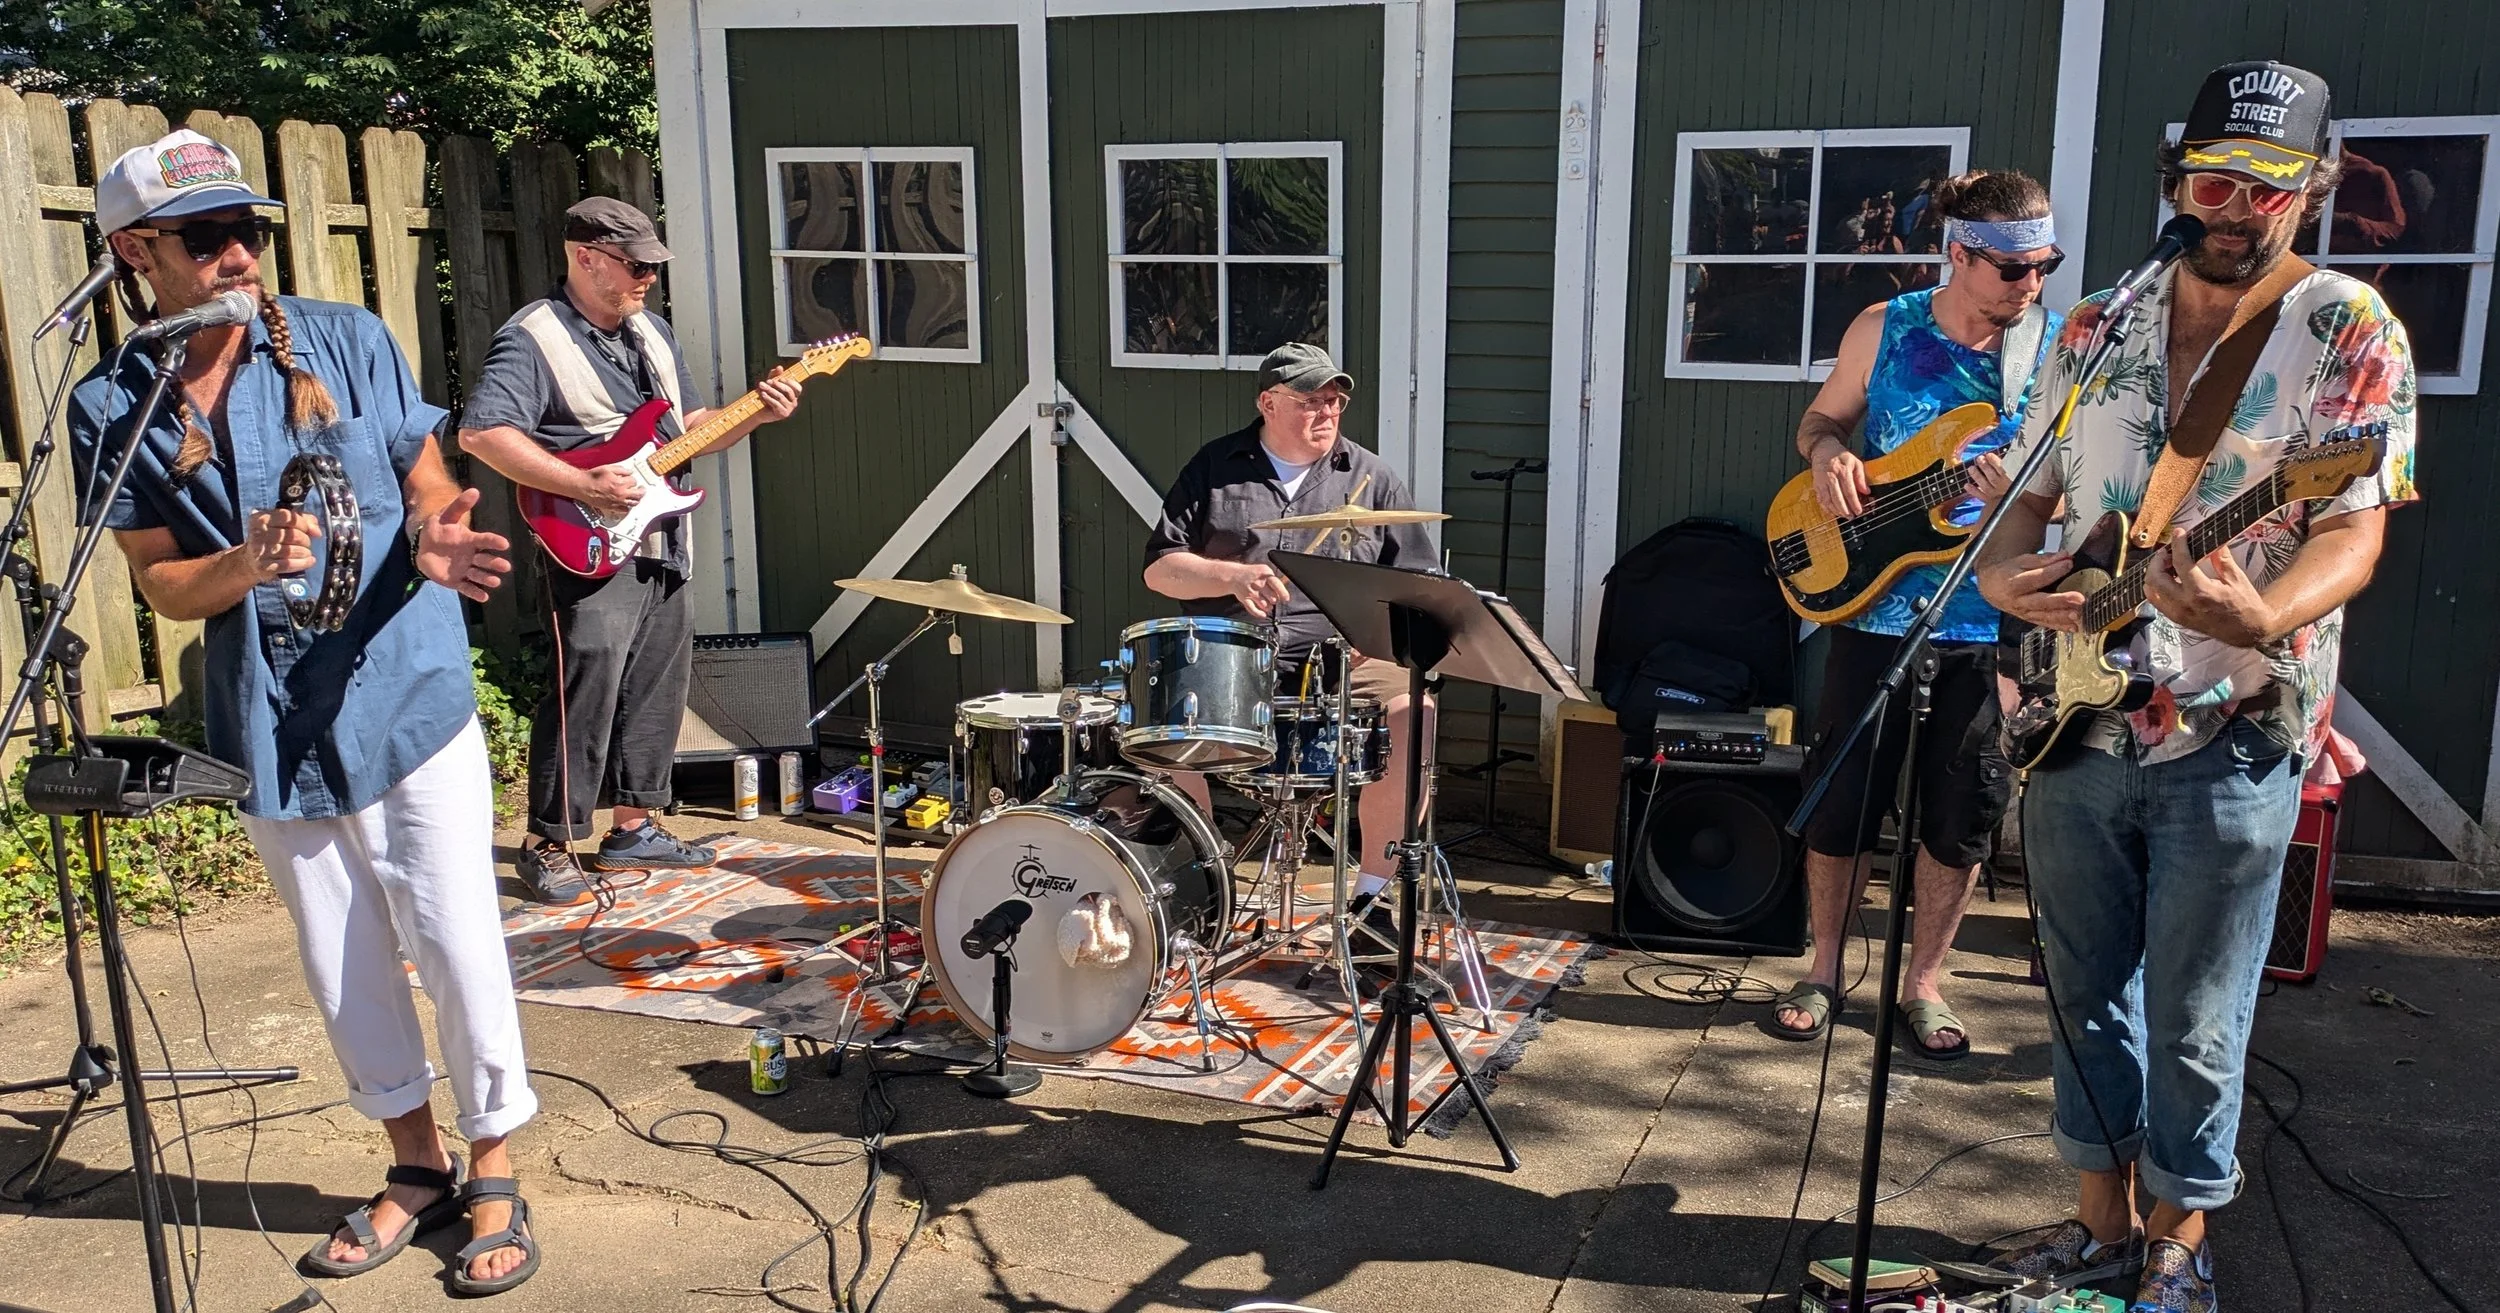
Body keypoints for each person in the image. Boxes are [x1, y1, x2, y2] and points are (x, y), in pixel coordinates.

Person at [69, 130, 544, 1295]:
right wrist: (242, 562)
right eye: (206, 235)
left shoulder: (346, 339)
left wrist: (432, 530)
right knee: (341, 957)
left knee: (453, 933)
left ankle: (493, 1168)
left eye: (251, 230)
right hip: (271, 715)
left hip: (405, 685)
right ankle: (415, 1166)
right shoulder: (112, 403)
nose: (238, 252)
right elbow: (165, 586)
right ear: (136, 251)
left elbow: (425, 469)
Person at [1976, 62, 2415, 1311]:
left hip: (2235, 722)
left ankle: (2179, 1246)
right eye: (2213, 178)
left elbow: (2353, 526)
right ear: (2174, 181)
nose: (2235, 208)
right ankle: (2099, 1223)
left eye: (2268, 186)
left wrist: (2262, 610)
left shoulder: (2344, 327)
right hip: (2072, 712)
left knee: (2197, 1007)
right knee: (2077, 985)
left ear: (2313, 190)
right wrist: (2009, 585)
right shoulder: (2097, 318)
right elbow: (2026, 500)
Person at [1769, 169, 2065, 1059]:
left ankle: (1925, 982)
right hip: (1870, 610)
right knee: (1842, 806)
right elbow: (1820, 422)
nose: (2031, 286)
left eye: (2043, 266)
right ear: (1959, 254)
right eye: (2012, 270)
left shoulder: (2056, 354)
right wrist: (1827, 455)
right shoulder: (1886, 327)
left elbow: (2082, 492)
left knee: (1961, 814)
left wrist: (2027, 499)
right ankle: (1823, 967)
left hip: (1991, 621)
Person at [460, 197, 800, 903]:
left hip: (663, 536)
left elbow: (690, 428)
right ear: (585, 256)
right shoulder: (532, 338)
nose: (648, 275)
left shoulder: (652, 333)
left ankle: (633, 825)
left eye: (652, 263)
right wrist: (581, 480)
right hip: (584, 539)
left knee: (657, 684)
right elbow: (483, 434)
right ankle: (549, 842)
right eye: (635, 263)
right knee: (582, 688)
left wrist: (756, 413)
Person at [1142, 343, 1434, 938]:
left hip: (1348, 655)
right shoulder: (1216, 467)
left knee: (1416, 711)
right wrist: (1231, 575)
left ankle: (1373, 903)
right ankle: (1207, 881)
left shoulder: (1373, 478)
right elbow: (1160, 569)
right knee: (1164, 722)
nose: (1327, 413)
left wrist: (1375, 638)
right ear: (1268, 403)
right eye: (1310, 402)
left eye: (1336, 401)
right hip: (1235, 655)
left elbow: (1419, 587)